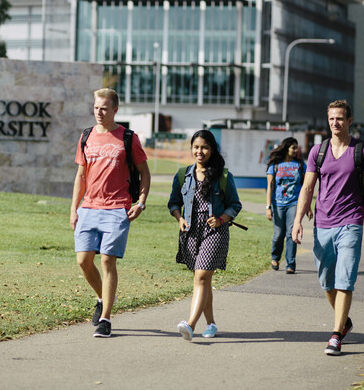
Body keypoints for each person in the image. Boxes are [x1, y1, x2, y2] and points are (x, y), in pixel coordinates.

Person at [292, 99, 364, 356]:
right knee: (326, 281)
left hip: (351, 222)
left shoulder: (363, 151)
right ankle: (345, 322)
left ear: (349, 121)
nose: (335, 123)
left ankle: (336, 335)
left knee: (345, 280)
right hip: (323, 223)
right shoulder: (318, 151)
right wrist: (297, 220)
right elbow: (307, 188)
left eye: (339, 118)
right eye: (331, 119)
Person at [69, 88, 151, 338]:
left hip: (117, 208)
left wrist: (141, 202)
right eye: (96, 107)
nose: (99, 112)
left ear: (115, 110)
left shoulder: (128, 137)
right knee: (83, 260)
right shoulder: (86, 136)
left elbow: (145, 173)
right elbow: (81, 176)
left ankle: (105, 319)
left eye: (104, 108)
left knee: (107, 260)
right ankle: (101, 298)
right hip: (89, 208)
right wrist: (74, 208)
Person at [168, 130, 242, 341]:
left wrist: (221, 219)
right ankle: (210, 324)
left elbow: (235, 204)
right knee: (203, 279)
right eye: (196, 147)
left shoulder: (223, 176)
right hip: (191, 232)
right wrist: (179, 218)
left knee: (201, 277)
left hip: (214, 232)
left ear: (212, 150)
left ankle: (190, 325)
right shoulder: (183, 174)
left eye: (204, 147)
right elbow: (174, 202)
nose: (199, 151)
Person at [265, 137, 312, 274]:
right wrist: (268, 207)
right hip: (278, 204)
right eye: (293, 148)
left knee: (292, 233)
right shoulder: (275, 165)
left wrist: (308, 206)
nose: (296, 150)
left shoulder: (300, 165)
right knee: (278, 234)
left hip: (294, 203)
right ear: (286, 148)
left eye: (297, 147)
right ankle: (275, 257)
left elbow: (305, 187)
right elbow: (270, 186)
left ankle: (290, 264)